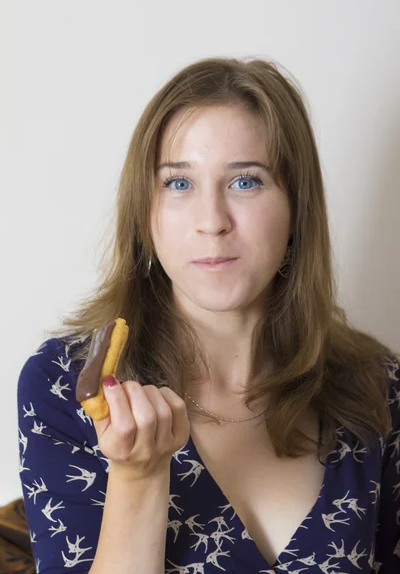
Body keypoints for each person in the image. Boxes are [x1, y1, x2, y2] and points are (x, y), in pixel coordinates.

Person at [17, 56, 400, 574]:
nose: (211, 221)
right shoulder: (64, 388)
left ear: (296, 209)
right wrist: (138, 477)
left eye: (246, 181)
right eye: (179, 183)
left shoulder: (380, 392)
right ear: (144, 214)